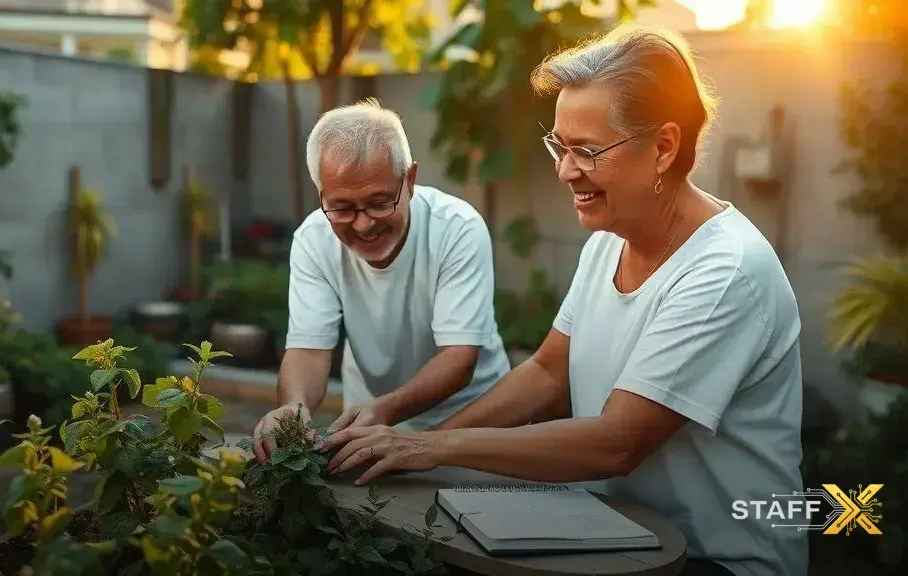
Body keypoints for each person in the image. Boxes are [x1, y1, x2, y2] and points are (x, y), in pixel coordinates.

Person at [316, 24, 808, 576]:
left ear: (664, 147)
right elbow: (550, 372)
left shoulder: (724, 271)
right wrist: (423, 445)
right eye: (559, 145)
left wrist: (435, 450)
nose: (564, 170)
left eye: (586, 151)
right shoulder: (609, 241)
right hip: (617, 534)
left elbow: (615, 443)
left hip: (716, 559)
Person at [252, 98, 511, 461]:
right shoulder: (313, 239)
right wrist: (292, 410)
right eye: (342, 207)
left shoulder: (456, 228)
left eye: (378, 202)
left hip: (471, 422)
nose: (363, 223)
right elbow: (308, 350)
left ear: (410, 180)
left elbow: (459, 358)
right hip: (370, 426)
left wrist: (385, 411)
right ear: (321, 193)